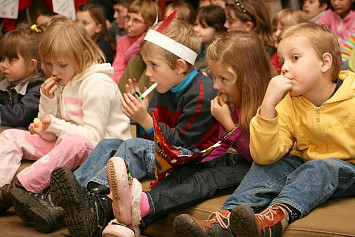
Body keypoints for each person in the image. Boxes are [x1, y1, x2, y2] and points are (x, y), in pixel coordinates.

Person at [19, 16, 220, 237]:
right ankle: (58, 201)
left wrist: (144, 119)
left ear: (180, 66)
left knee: (132, 146)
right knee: (107, 145)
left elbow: (182, 144)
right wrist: (143, 114)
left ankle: (93, 199)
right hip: (167, 151)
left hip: (192, 158)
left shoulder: (202, 93)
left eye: (153, 65)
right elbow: (149, 139)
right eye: (146, 65)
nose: (148, 73)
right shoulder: (166, 85)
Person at [173, 22, 354, 237]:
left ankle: (276, 217)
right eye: (283, 60)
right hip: (306, 165)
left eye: (295, 58)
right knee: (271, 167)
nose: (284, 67)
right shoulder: (287, 103)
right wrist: (268, 105)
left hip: (347, 171)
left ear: (325, 62)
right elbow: (264, 156)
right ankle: (225, 220)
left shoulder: (351, 95)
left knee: (321, 167)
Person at [104, 29, 277, 236]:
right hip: (226, 159)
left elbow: (257, 156)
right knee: (184, 172)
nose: (215, 85)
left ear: (248, 77)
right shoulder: (228, 99)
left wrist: (228, 124)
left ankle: (139, 209)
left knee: (204, 181)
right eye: (214, 77)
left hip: (252, 167)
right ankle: (130, 222)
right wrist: (198, 161)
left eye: (223, 79)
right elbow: (221, 146)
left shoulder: (269, 104)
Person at [2, 17, 131, 231]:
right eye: (49, 64)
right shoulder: (62, 78)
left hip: (102, 154)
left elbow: (93, 139)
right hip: (66, 145)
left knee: (73, 142)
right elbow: (49, 134)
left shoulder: (98, 85)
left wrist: (54, 125)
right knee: (10, 135)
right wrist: (47, 105)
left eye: (61, 65)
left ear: (83, 57)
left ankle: (17, 189)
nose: (54, 71)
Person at [0, 23, 45, 132]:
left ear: (31, 65)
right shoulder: (7, 82)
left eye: (11, 60)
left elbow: (19, 115)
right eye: (2, 59)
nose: (3, 65)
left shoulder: (38, 86)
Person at [112, 0, 159, 83]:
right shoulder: (123, 41)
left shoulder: (153, 43)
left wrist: (146, 38)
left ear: (149, 25)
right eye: (128, 18)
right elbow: (118, 68)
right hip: (124, 85)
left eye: (136, 20)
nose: (129, 23)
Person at [271, 9, 309, 74]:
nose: (276, 34)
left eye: (282, 29)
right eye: (275, 29)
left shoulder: (305, 56)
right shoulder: (275, 57)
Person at [194, 5, 226, 79]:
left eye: (203, 27)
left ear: (218, 32)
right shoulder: (201, 45)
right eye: (196, 24)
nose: (196, 29)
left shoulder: (218, 51)